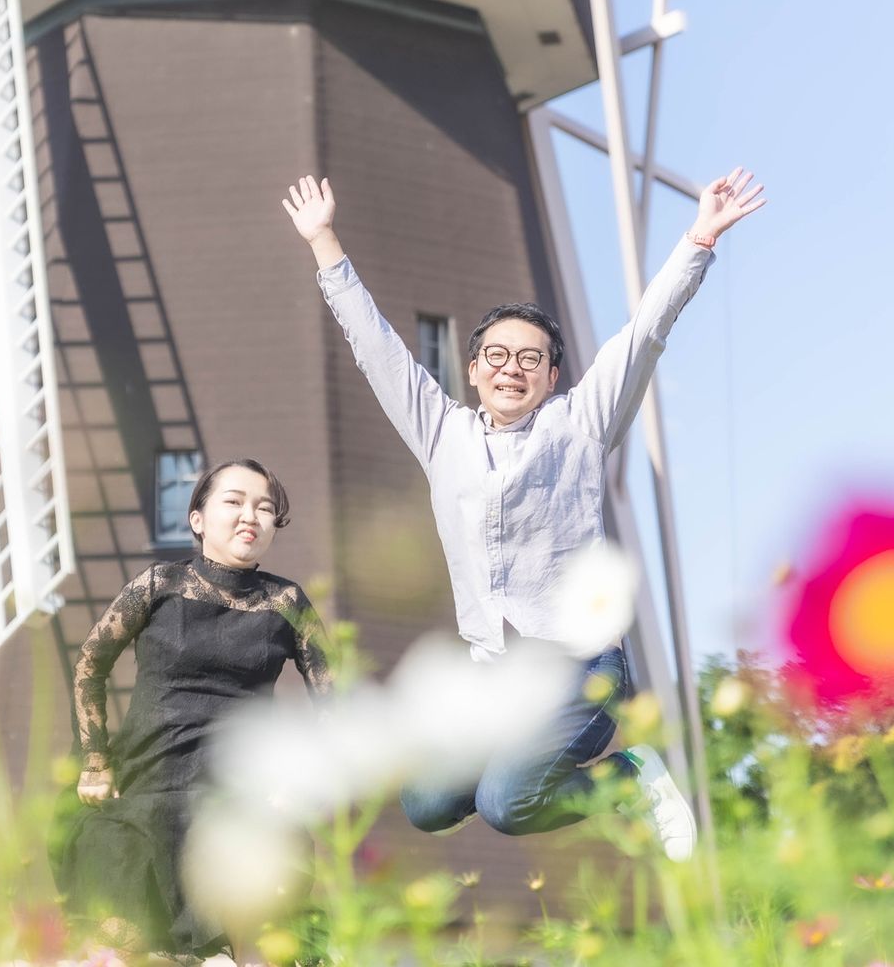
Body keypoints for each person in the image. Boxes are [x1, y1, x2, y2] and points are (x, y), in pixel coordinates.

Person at [282, 169, 766, 862]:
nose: (512, 368)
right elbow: (376, 348)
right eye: (498, 356)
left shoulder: (581, 424)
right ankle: (511, 776)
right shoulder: (441, 433)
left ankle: (629, 776)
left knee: (507, 805)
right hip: (497, 677)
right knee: (426, 804)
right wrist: (323, 241)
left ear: (552, 376)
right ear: (474, 369)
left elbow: (645, 333)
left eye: (530, 359)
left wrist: (699, 240)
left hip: (579, 664)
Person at [52, 458, 332, 964]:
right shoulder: (158, 585)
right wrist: (94, 759)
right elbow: (89, 664)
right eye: (234, 501)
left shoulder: (287, 602)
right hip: (145, 789)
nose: (250, 516)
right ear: (197, 518)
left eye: (264, 507)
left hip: (236, 796)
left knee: (258, 937)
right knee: (117, 938)